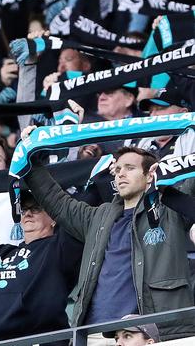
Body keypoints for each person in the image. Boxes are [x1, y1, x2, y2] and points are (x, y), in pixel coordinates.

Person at [21, 131, 195, 342]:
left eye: (130, 168)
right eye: (118, 169)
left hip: (157, 332)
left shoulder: (171, 208)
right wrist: (30, 151)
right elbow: (55, 200)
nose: (121, 174)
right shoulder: (97, 216)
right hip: (98, 333)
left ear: (150, 174)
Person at [0, 190, 81, 344]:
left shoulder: (59, 248)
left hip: (39, 339)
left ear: (54, 218)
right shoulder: (1, 253)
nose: (28, 214)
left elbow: (75, 213)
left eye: (36, 209)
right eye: (24, 210)